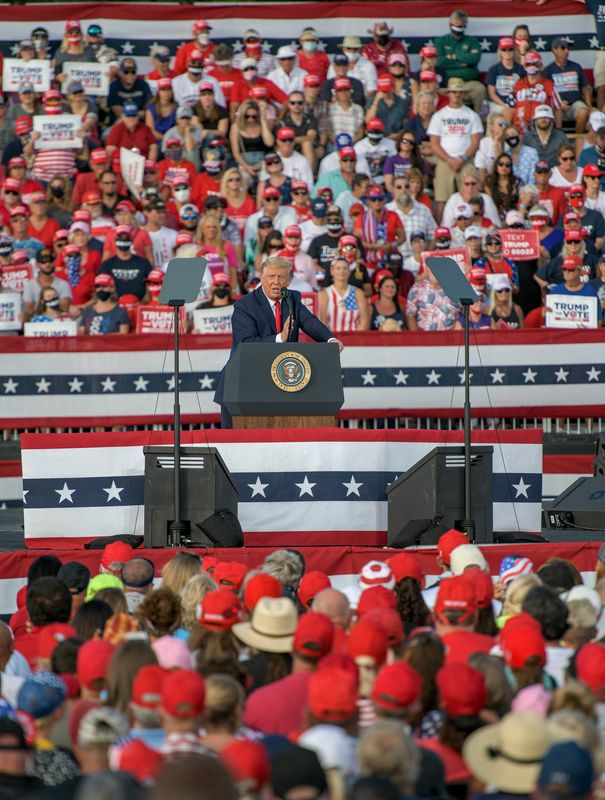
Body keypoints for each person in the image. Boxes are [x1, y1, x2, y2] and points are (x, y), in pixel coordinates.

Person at [214, 256, 343, 427]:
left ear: (289, 280)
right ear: (262, 278)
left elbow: (309, 322)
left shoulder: (292, 299)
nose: (276, 282)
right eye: (271, 277)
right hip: (242, 384)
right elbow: (245, 344)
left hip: (278, 385)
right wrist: (278, 339)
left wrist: (330, 339)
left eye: (281, 277)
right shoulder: (245, 306)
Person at [427, 77, 483, 218]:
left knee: (471, 199)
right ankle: (442, 233)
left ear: (463, 94)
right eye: (453, 92)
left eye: (459, 92)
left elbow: (476, 142)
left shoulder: (472, 115)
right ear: (448, 94)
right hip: (445, 161)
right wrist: (449, 160)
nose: (456, 95)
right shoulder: (439, 116)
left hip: (466, 160)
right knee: (442, 201)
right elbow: (434, 143)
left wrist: (462, 158)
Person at [435, 10, 486, 113]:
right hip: (446, 85)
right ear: (450, 25)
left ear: (465, 25)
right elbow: (439, 62)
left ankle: (480, 121)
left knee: (480, 89)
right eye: (455, 26)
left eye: (461, 26)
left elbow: (474, 59)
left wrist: (452, 57)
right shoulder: (440, 41)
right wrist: (463, 63)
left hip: (468, 84)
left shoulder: (472, 41)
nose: (458, 29)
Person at [543, 37, 591, 134]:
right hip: (556, 106)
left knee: (584, 112)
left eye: (568, 48)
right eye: (563, 48)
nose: (566, 51)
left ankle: (577, 140)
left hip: (575, 104)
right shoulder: (548, 70)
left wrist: (589, 107)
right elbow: (545, 92)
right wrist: (558, 104)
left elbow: (585, 88)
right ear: (554, 50)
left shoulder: (576, 66)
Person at [318, 255, 371, 332]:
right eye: (338, 268)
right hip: (332, 340)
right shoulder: (324, 293)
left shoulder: (358, 293)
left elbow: (364, 322)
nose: (341, 271)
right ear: (332, 271)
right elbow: (322, 322)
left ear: (349, 271)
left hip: (354, 339)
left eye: (345, 268)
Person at [549, 255, 603, 326]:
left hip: (584, 336)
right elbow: (550, 320)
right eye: (564, 269)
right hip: (561, 336)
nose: (567, 272)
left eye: (571, 269)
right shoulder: (555, 292)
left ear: (580, 271)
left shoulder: (591, 292)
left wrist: (589, 331)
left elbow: (599, 320)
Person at [486, 37, 527, 119]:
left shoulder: (521, 69)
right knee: (507, 112)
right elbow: (492, 94)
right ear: (500, 52)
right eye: (504, 49)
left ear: (514, 51)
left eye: (510, 49)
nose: (507, 52)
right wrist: (505, 106)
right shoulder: (494, 69)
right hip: (498, 104)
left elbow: (525, 89)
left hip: (518, 104)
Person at [108, 57, 153, 123]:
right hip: (120, 123)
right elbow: (118, 112)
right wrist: (138, 113)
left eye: (133, 72)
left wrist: (131, 114)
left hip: (140, 124)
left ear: (136, 72)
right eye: (126, 72)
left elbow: (149, 110)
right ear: (120, 72)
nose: (130, 74)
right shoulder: (114, 86)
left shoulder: (143, 85)